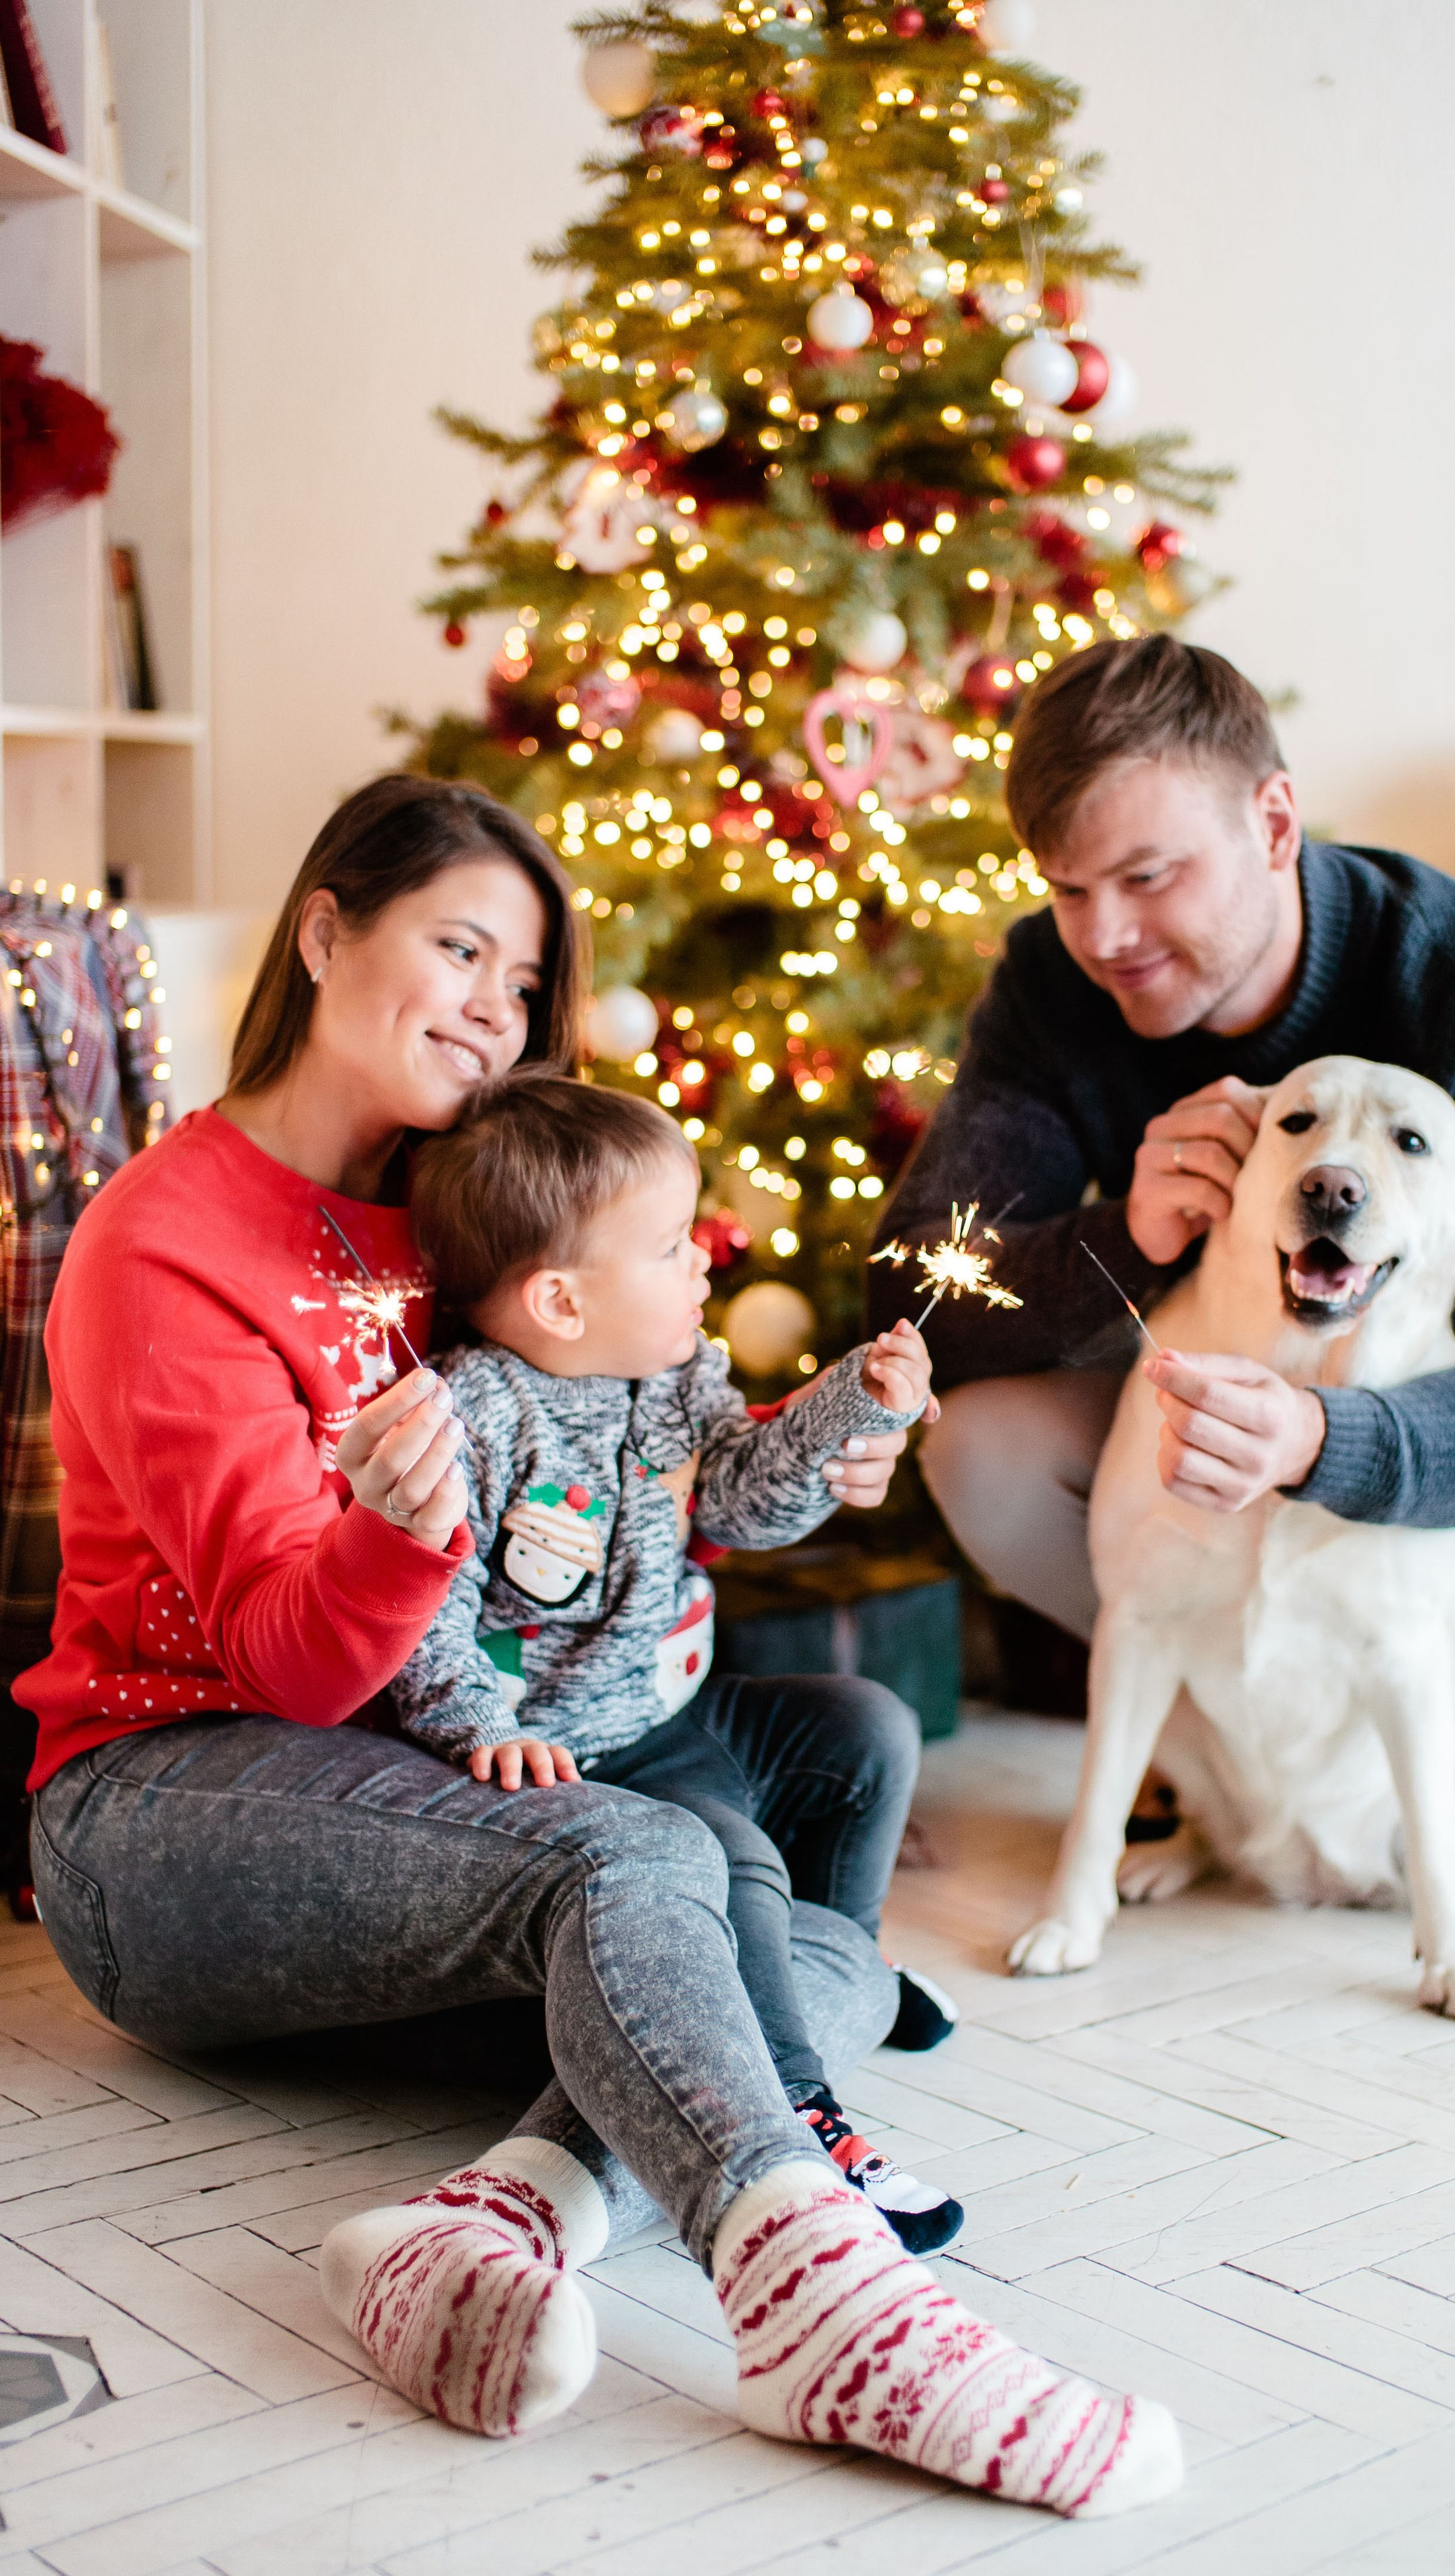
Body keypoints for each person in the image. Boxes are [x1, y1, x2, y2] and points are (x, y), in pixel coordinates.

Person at [17, 773, 1180, 2516]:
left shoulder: (490, 1208)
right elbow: (290, 1664)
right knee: (655, 1863)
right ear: (325, 931)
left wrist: (803, 1451)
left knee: (826, 1770)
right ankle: (820, 2309)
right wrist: (397, 1534)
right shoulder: (167, 1247)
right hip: (169, 1808)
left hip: (435, 1772)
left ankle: (496, 2219)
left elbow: (597, 1524)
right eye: (457, 949)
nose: (494, 1007)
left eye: (523, 978)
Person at [871, 637, 1455, 1940]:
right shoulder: (1051, 983)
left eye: (1148, 876)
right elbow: (912, 1293)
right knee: (978, 1444)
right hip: (1205, 1414)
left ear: (1272, 823)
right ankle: (1212, 1739)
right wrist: (1125, 1235)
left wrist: (1319, 1438)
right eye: (1068, 888)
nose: (1104, 935)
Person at [396, 1067, 963, 2254]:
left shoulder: (679, 1373)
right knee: (730, 1856)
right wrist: (481, 1726)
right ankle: (800, 2112)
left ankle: (844, 1965)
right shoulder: (475, 1414)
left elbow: (745, 1501)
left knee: (869, 1728)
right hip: (576, 1756)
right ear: (560, 1300)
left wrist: (849, 1405)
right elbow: (426, 1603)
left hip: (672, 1702)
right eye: (668, 1247)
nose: (705, 1258)